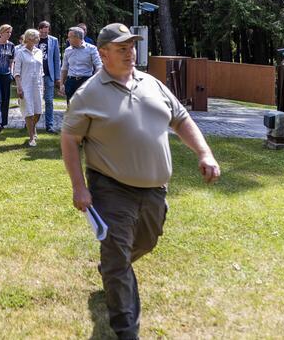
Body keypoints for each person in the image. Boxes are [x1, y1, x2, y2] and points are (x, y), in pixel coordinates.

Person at [61, 23, 221, 340]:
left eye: (131, 47)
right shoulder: (88, 94)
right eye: (121, 48)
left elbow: (181, 119)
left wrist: (205, 153)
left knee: (147, 242)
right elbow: (69, 140)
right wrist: (79, 186)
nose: (130, 53)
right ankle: (126, 328)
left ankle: (112, 267)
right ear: (103, 54)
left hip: (154, 189)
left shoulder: (152, 84)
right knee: (117, 255)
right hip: (111, 187)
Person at [13, 29, 44, 147]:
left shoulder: (39, 52)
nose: (39, 39)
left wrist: (43, 87)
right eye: (37, 37)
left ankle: (33, 127)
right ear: (30, 38)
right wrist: (19, 87)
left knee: (38, 112)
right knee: (29, 112)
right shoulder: (20, 53)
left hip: (38, 85)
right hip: (25, 86)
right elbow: (16, 72)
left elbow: (42, 72)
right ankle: (31, 137)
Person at [61, 26, 102, 102]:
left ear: (78, 38)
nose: (68, 39)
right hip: (71, 82)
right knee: (71, 109)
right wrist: (61, 84)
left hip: (85, 81)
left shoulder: (91, 49)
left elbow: (99, 65)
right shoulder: (67, 50)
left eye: (70, 37)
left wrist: (94, 81)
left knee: (85, 109)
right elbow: (64, 68)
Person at [36, 20, 61, 133]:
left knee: (49, 101)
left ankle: (49, 125)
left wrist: (57, 77)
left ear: (48, 31)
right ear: (38, 30)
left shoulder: (54, 40)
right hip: (35, 75)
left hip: (49, 75)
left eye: (46, 32)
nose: (43, 34)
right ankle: (31, 124)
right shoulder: (33, 38)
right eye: (42, 32)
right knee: (35, 100)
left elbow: (56, 59)